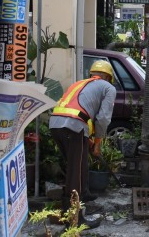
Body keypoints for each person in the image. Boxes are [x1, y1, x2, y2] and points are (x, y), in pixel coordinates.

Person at [49, 60, 116, 229]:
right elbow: (103, 119)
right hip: (73, 127)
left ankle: (83, 196)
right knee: (75, 173)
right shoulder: (108, 88)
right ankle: (75, 219)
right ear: (108, 77)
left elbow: (80, 110)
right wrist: (98, 143)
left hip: (56, 124)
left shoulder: (79, 84)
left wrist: (89, 140)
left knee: (77, 166)